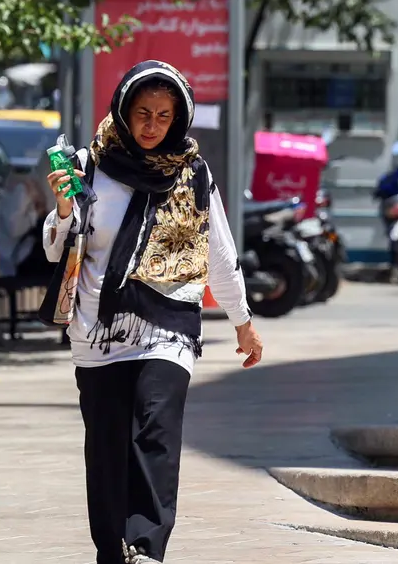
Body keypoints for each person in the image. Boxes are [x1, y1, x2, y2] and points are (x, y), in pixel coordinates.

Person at [42, 60, 262, 564]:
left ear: (178, 119)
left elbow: (219, 254)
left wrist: (242, 323)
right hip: (98, 329)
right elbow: (56, 248)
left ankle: (146, 548)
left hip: (168, 326)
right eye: (142, 112)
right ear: (122, 111)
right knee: (107, 448)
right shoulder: (88, 167)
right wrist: (60, 209)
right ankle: (111, 551)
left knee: (155, 430)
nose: (151, 125)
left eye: (163, 115)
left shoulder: (194, 174)